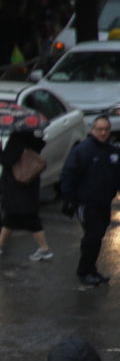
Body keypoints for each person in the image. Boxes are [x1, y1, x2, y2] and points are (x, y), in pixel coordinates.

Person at [59, 115, 120, 285]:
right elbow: (69, 173)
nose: (103, 133)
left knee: (98, 236)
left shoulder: (112, 151)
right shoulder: (83, 150)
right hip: (86, 203)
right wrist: (69, 198)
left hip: (104, 202)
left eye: (106, 129)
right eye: (99, 129)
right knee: (92, 236)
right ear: (93, 130)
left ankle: (91, 270)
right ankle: (84, 271)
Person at [0, 131, 52, 261]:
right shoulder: (33, 138)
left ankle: (44, 248)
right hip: (29, 183)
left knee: (29, 218)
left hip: (16, 185)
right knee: (11, 215)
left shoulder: (17, 139)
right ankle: (0, 243)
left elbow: (8, 160)